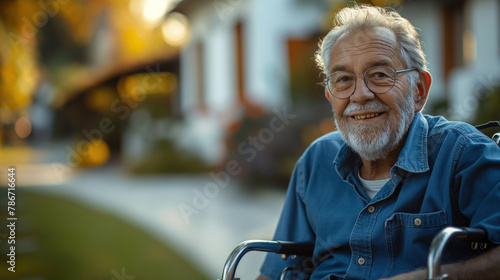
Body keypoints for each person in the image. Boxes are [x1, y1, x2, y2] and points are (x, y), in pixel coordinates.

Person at [257, 4, 500, 280]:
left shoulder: (463, 154)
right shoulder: (316, 162)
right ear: (330, 97)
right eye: (344, 80)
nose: (359, 95)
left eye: (380, 75)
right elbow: (276, 272)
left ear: (419, 90)